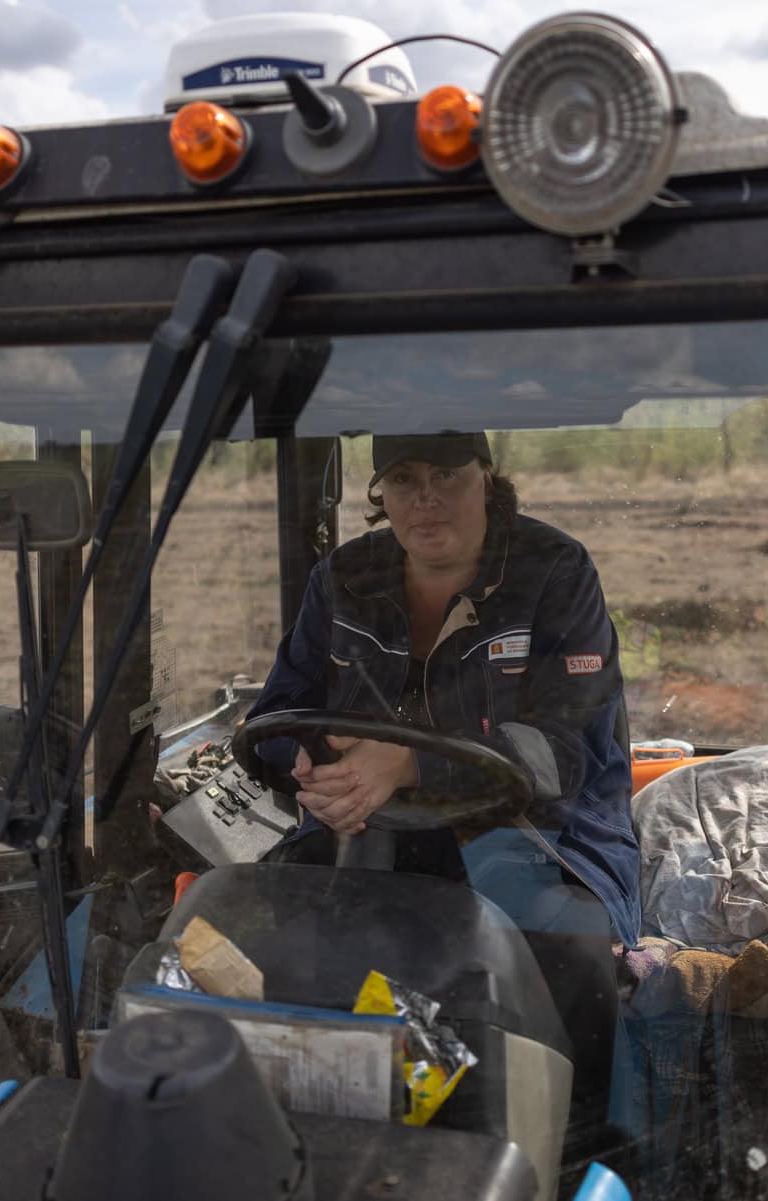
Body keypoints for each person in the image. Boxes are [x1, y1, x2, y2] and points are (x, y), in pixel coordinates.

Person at [244, 430, 638, 1115]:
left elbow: (563, 751)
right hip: (366, 832)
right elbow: (280, 712)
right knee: (265, 941)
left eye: (446, 475)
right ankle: (328, 1127)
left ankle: (577, 1146)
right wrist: (315, 767)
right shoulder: (342, 578)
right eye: (403, 479)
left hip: (539, 835)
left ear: (486, 476)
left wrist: (409, 759)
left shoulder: (555, 571)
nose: (425, 499)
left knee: (565, 954)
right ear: (381, 494)